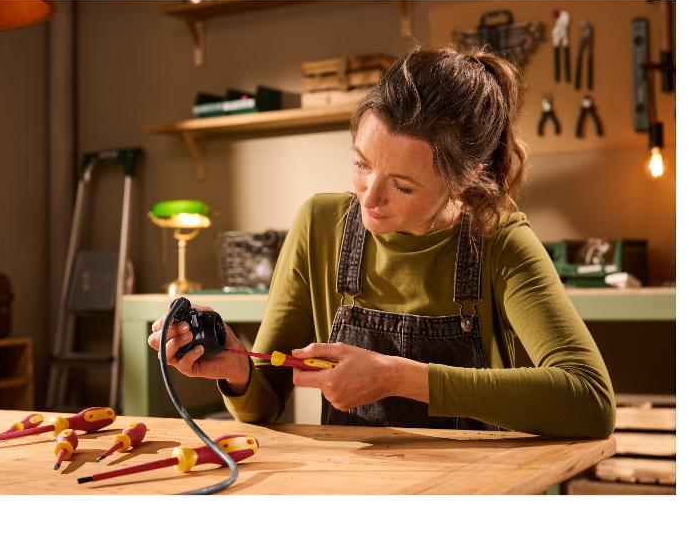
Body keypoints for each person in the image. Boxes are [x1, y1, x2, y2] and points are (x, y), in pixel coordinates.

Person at [148, 46, 615, 438]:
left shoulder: (499, 240)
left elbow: (590, 401)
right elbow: (266, 404)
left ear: (464, 181)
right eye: (361, 164)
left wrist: (398, 377)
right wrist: (235, 369)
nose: (369, 198)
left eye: (403, 186)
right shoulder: (320, 224)